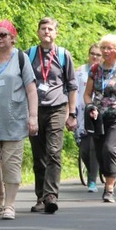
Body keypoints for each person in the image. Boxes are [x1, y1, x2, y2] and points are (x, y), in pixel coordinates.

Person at [0, 20, 38, 220]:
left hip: (15, 120)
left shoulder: (21, 58)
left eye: (3, 35)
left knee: (11, 164)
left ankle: (10, 205)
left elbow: (31, 89)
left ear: (13, 38)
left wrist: (33, 117)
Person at [27, 17, 78, 214]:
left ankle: (51, 195)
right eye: (43, 29)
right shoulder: (30, 54)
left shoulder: (64, 55)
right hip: (35, 109)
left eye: (50, 29)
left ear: (56, 33)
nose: (46, 32)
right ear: (38, 32)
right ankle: (40, 196)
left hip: (57, 108)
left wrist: (71, 113)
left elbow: (72, 86)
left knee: (54, 152)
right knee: (38, 155)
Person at [84, 34, 116, 203]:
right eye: (103, 48)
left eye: (109, 48)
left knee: (110, 148)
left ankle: (109, 188)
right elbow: (87, 95)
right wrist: (91, 107)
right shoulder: (95, 69)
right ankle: (108, 175)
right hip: (99, 116)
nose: (105, 51)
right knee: (101, 152)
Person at [75, 43, 102, 192]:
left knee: (93, 147)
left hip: (97, 113)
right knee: (84, 150)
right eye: (93, 53)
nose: (95, 57)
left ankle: (92, 180)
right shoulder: (80, 71)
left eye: (98, 54)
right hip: (82, 113)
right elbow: (75, 91)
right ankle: (94, 169)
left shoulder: (104, 71)